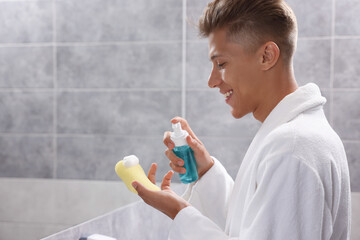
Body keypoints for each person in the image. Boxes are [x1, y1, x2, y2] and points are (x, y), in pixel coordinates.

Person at [131, 0, 352, 239]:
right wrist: (205, 171)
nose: (212, 81)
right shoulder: (293, 135)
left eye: (221, 64)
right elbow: (250, 225)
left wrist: (179, 212)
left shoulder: (292, 147)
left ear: (267, 56)